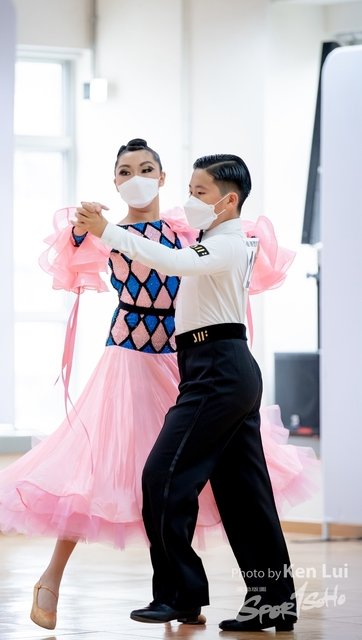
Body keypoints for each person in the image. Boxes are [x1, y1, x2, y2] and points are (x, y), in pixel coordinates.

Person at [75, 153, 304, 632]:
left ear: (229, 201)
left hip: (217, 370)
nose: (190, 200)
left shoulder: (228, 243)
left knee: (163, 475)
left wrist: (109, 232)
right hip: (220, 368)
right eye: (190, 190)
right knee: (244, 493)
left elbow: (173, 262)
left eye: (200, 193)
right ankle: (273, 602)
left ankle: (180, 594)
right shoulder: (214, 240)